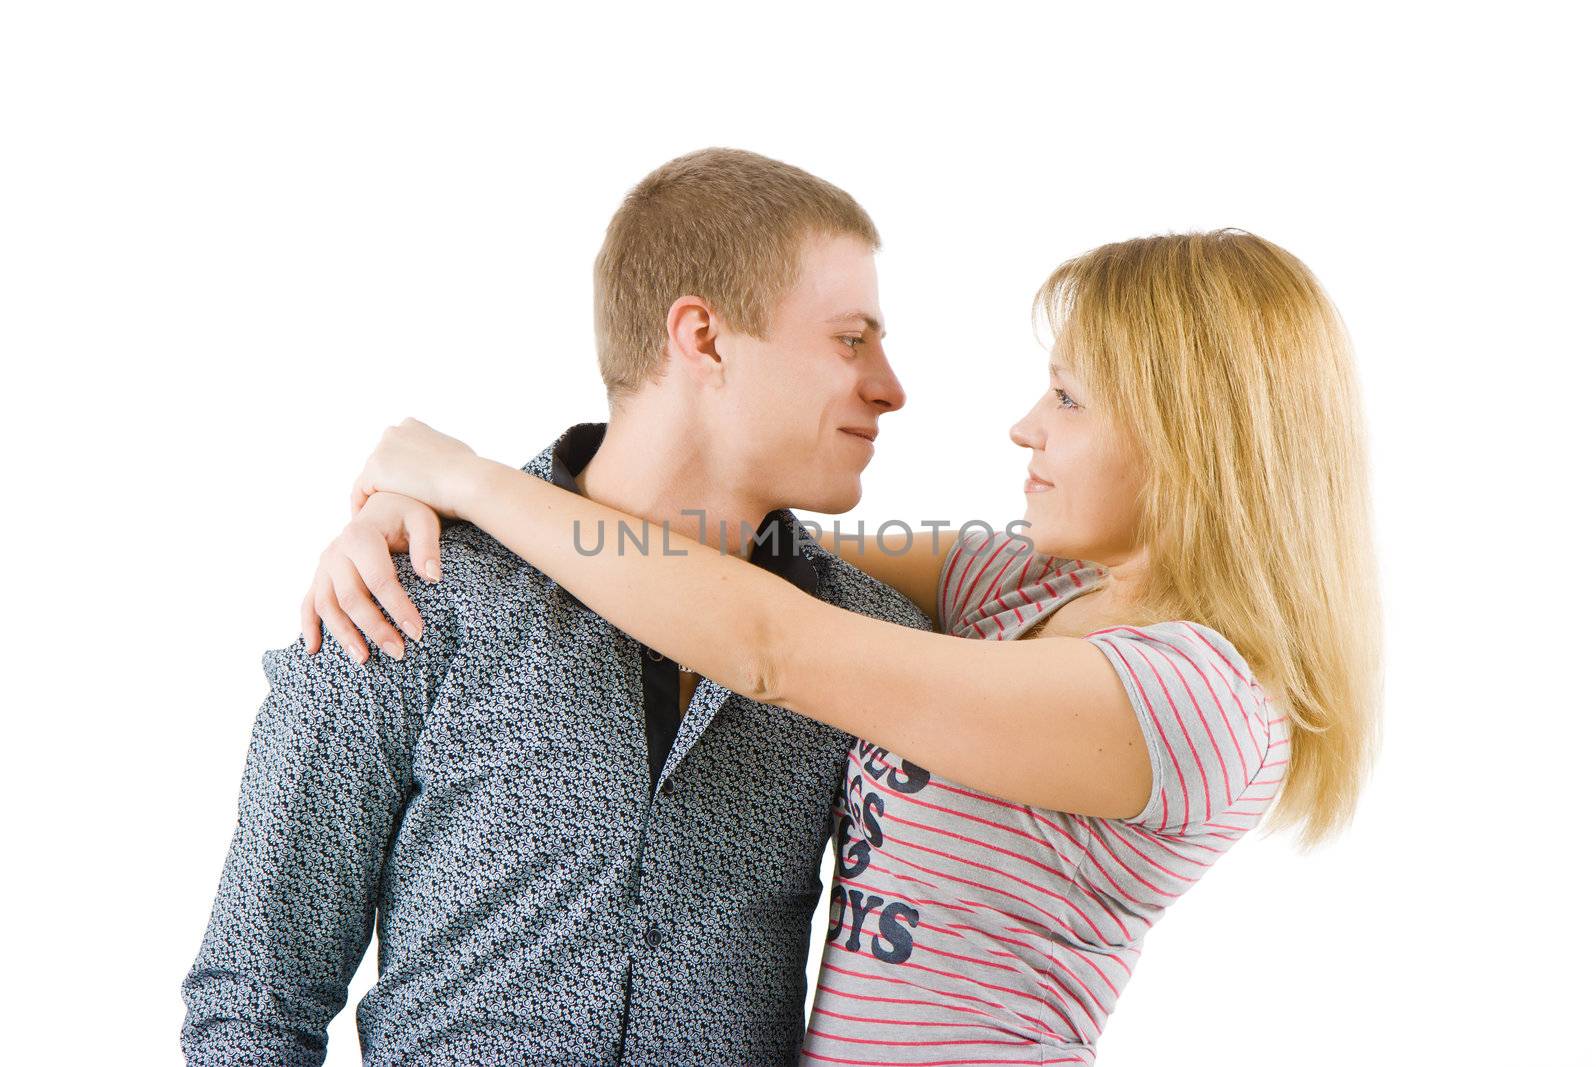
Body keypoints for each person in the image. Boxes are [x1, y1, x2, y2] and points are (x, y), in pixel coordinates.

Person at [305, 229, 1382, 1063]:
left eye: (1067, 396)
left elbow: (770, 639)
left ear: (1191, 434)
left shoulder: (1196, 696)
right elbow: (719, 554)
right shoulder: (1025, 584)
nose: (1023, 427)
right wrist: (414, 514)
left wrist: (466, 477)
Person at [179, 147, 935, 1066]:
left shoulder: (872, 648)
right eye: (851, 339)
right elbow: (254, 1003)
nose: (891, 386)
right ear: (704, 338)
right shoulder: (405, 590)